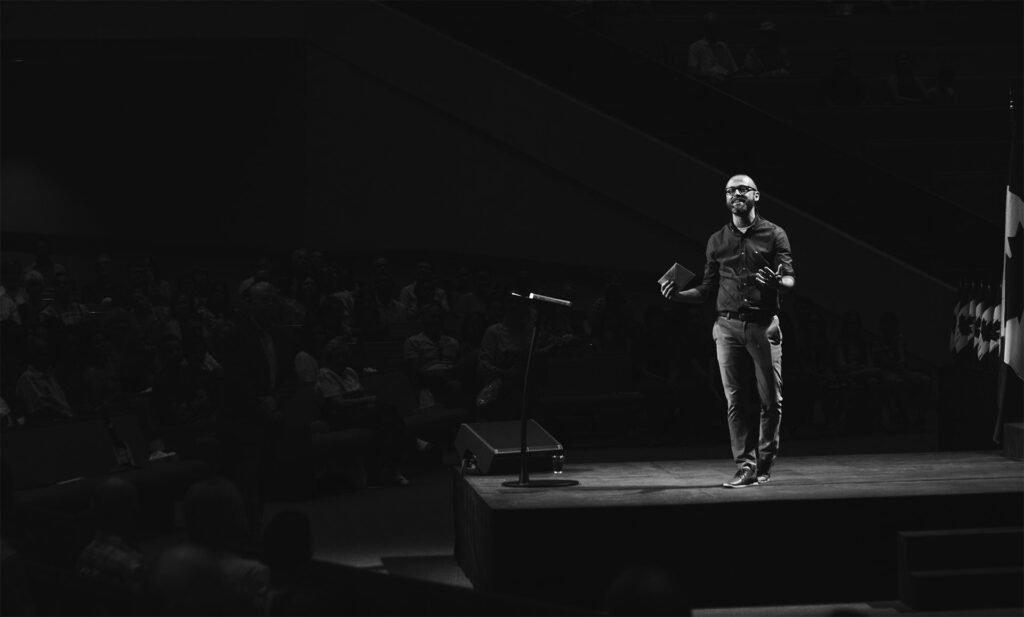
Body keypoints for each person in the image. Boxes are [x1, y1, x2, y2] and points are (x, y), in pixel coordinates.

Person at [660, 174, 795, 488]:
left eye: (744, 189)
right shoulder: (716, 240)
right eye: (731, 189)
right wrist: (678, 296)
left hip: (763, 326)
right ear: (726, 198)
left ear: (756, 196)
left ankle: (764, 463)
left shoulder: (774, 234)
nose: (737, 193)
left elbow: (789, 279)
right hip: (726, 326)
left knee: (771, 400)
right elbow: (707, 289)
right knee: (734, 400)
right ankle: (745, 466)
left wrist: (778, 282)